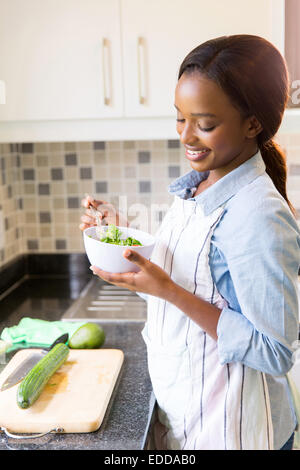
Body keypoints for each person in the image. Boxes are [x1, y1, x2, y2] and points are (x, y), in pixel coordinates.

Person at [79, 35, 300, 450]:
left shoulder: (259, 214)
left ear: (253, 123)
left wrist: (168, 291)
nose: (187, 136)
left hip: (235, 432)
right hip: (190, 415)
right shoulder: (200, 187)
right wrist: (121, 235)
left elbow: (275, 351)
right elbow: (193, 282)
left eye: (205, 124)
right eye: (180, 118)